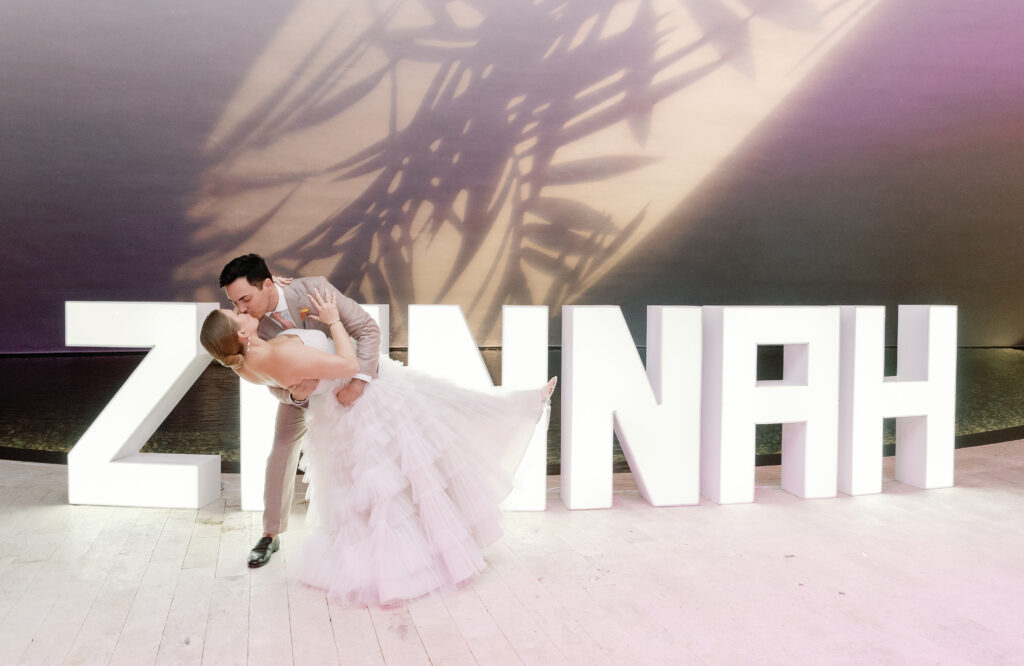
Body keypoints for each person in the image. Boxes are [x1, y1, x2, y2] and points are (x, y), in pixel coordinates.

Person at [201, 289, 555, 606]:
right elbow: (349, 364)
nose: (240, 309)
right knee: (412, 456)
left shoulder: (244, 364)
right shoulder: (280, 355)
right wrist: (333, 321)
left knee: (401, 460)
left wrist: (295, 387)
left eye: (239, 303)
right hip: (359, 402)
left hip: (334, 413)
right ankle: (402, 565)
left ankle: (520, 405)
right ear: (242, 334)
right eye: (236, 313)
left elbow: (287, 384)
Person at [218, 253, 382, 567]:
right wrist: (294, 396)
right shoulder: (248, 326)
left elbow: (367, 330)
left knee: (367, 452)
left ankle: (369, 528)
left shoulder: (313, 289)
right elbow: (266, 378)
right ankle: (270, 534)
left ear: (268, 285)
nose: (240, 309)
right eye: (234, 303)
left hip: (348, 385)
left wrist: (358, 383)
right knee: (281, 449)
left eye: (245, 299)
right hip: (302, 396)